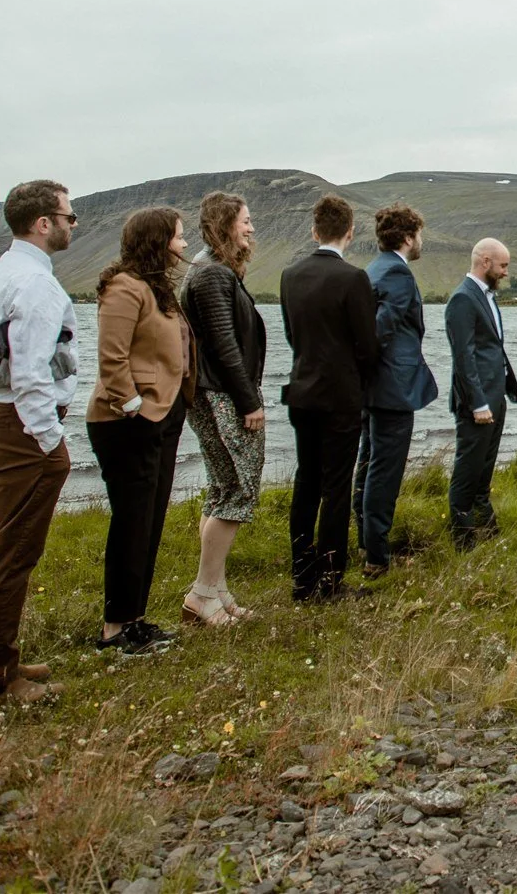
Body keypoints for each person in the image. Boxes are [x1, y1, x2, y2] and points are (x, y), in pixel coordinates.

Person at [0, 179, 80, 707]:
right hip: (19, 428)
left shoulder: (1, 271)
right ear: (43, 223)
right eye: (68, 217)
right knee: (11, 554)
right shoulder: (35, 284)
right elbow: (31, 373)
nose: (73, 224)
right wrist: (51, 441)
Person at [84, 207, 194, 654]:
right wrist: (137, 409)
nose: (183, 245)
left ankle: (136, 619)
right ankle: (114, 629)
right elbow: (112, 360)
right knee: (131, 522)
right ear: (157, 240)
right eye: (179, 237)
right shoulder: (123, 288)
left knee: (149, 522)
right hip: (126, 423)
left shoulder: (158, 289)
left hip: (164, 416)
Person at [279, 193, 380, 601]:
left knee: (306, 483)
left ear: (315, 230)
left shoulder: (289, 275)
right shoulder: (353, 278)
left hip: (301, 392)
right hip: (339, 397)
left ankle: (302, 576)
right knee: (335, 488)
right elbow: (368, 346)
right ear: (350, 232)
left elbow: (291, 335)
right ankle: (330, 581)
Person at [181, 191, 267, 626]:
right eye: (245, 221)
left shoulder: (210, 268)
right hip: (222, 396)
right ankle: (201, 592)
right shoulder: (212, 274)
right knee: (237, 488)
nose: (251, 228)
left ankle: (216, 590)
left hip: (214, 393)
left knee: (221, 489)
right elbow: (223, 344)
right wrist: (249, 401)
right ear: (225, 223)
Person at [356, 202, 438, 578]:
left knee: (369, 462)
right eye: (418, 234)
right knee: (384, 470)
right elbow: (378, 331)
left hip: (375, 386)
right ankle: (376, 556)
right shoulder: (397, 275)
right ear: (407, 237)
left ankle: (365, 544)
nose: (421, 241)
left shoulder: (375, 268)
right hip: (390, 388)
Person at [445, 238, 517, 549]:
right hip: (477, 403)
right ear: (486, 262)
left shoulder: (486, 296)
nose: (505, 272)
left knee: (484, 469)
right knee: (467, 471)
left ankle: (487, 532)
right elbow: (463, 357)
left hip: (495, 397)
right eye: (503, 265)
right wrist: (477, 403)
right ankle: (462, 542)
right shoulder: (462, 299)